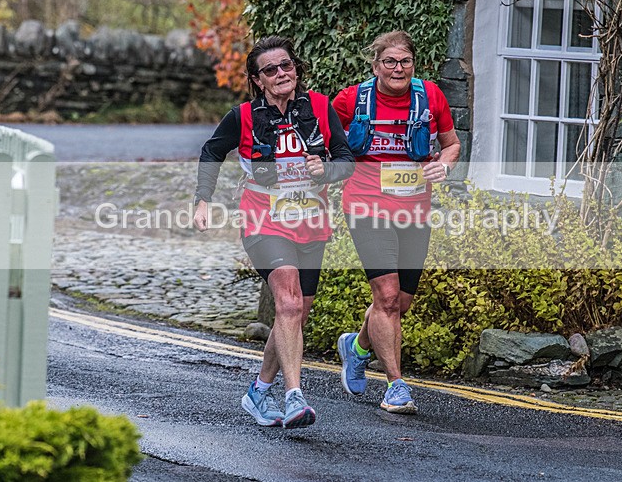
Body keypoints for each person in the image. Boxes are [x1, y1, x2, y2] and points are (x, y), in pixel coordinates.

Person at [193, 36, 354, 428]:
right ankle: (294, 398)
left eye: (286, 66)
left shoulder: (319, 108)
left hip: (311, 221)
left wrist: (327, 170)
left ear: (296, 69)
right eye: (270, 70)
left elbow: (347, 160)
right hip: (262, 220)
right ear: (258, 80)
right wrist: (203, 199)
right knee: (289, 303)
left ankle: (258, 392)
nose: (281, 74)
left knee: (295, 314)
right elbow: (212, 151)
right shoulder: (243, 117)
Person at [332, 30, 460, 414]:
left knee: (399, 303)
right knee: (386, 297)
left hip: (413, 210)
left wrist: (444, 164)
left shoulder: (431, 97)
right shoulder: (351, 100)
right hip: (366, 205)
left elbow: (451, 144)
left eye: (404, 61)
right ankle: (396, 386)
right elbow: (327, 143)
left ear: (413, 65)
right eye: (389, 61)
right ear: (376, 66)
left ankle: (355, 348)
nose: (397, 68)